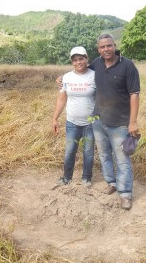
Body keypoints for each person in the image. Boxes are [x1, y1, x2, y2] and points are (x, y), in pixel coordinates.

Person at [56, 34, 140, 210]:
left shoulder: (128, 65)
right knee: (103, 155)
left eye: (109, 46)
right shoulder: (97, 64)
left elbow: (134, 95)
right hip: (97, 121)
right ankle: (111, 183)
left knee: (122, 158)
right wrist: (61, 79)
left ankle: (125, 194)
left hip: (120, 122)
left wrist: (133, 122)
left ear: (114, 45)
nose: (106, 49)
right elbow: (80, 71)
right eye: (102, 47)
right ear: (98, 50)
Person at [53, 46, 96, 187]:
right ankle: (66, 177)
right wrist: (55, 118)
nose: (79, 62)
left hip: (90, 123)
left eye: (81, 59)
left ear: (86, 59)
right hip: (72, 122)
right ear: (72, 62)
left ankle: (86, 178)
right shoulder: (66, 78)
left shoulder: (95, 75)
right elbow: (62, 99)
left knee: (88, 152)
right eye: (75, 60)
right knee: (70, 151)